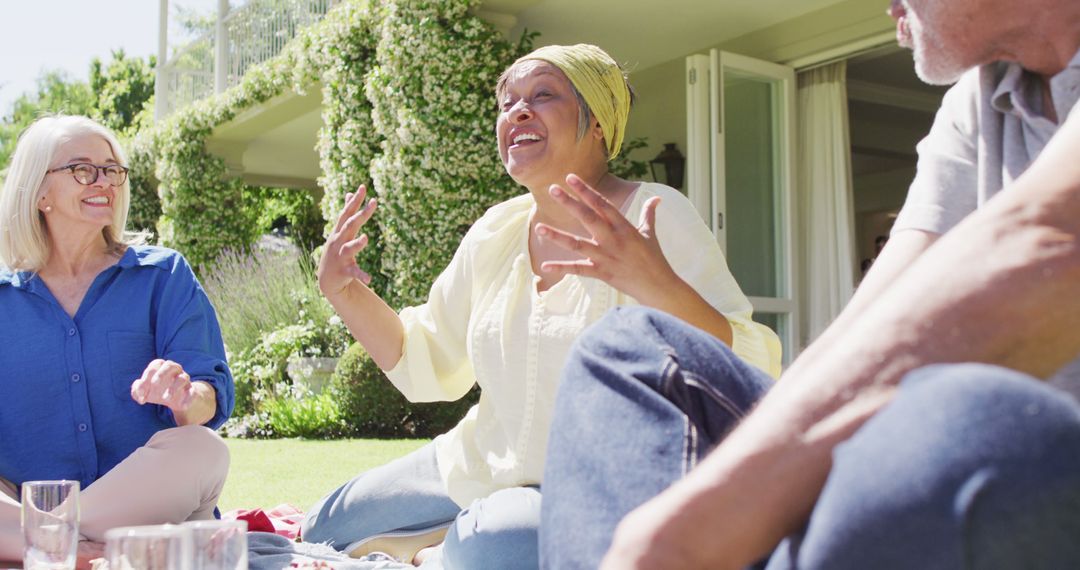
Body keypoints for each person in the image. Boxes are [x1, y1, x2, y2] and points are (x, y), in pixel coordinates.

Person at [540, 0, 1080, 568]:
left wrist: (695, 522)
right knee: (627, 349)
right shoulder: (979, 100)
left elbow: (1043, 247)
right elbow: (871, 323)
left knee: (966, 412)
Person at [303, 44, 782, 568]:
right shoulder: (496, 231)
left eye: (542, 95)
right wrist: (345, 294)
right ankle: (446, 540)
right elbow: (426, 359)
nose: (518, 112)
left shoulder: (653, 215)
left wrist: (657, 284)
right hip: (480, 463)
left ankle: (442, 549)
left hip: (594, 489)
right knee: (323, 525)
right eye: (507, 104)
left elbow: (752, 365)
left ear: (597, 122)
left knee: (495, 542)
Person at [0, 116, 234, 563]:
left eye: (112, 169)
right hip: (21, 502)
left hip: (152, 506)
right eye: (83, 169)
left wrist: (187, 396)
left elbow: (209, 400)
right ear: (40, 192)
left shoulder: (163, 275)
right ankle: (89, 548)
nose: (103, 180)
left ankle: (50, 547)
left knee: (203, 449)